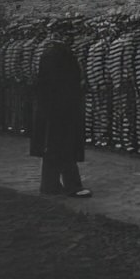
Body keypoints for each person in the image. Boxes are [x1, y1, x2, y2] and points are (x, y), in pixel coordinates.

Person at [30, 21, 92, 198]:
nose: (71, 38)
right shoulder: (57, 54)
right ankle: (72, 186)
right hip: (61, 109)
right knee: (65, 148)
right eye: (67, 34)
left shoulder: (52, 53)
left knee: (53, 148)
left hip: (53, 109)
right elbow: (59, 85)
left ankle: (50, 186)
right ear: (58, 35)